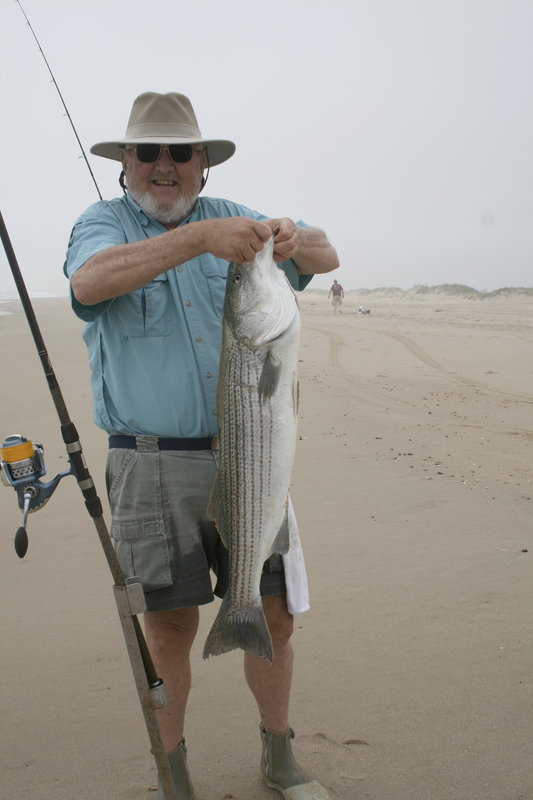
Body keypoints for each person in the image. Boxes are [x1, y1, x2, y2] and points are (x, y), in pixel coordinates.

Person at [64, 92, 339, 800]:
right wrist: (194, 242)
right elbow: (88, 283)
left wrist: (287, 236)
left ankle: (278, 755)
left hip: (253, 454)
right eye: (146, 152)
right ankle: (172, 774)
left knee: (274, 610)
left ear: (202, 165)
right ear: (125, 162)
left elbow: (326, 251)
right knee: (166, 628)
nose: (163, 166)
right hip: (149, 463)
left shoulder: (240, 223)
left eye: (179, 153)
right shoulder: (101, 225)